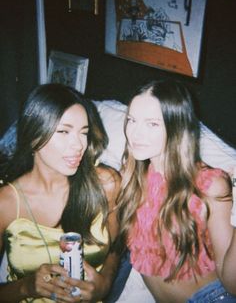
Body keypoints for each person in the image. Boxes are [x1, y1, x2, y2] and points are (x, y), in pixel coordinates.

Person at [115, 79, 236, 302]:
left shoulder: (209, 184)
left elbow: (232, 282)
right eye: (132, 120)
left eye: (152, 124)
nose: (136, 134)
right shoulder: (132, 176)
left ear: (176, 126)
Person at [0, 83, 121, 302]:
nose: (78, 145)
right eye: (64, 132)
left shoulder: (105, 184)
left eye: (83, 133)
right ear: (34, 135)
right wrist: (26, 287)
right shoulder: (5, 203)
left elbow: (117, 247)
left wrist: (105, 283)